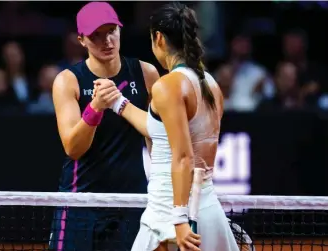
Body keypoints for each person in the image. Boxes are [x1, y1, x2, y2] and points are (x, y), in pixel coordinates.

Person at [93, 3, 239, 251]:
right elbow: (160, 133)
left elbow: (183, 156)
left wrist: (180, 219)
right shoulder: (211, 84)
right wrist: (118, 102)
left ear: (158, 38)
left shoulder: (167, 85)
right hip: (206, 208)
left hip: (170, 213)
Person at [49, 2, 160, 251]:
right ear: (81, 40)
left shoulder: (146, 74)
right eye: (96, 35)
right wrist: (96, 108)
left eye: (111, 31)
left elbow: (157, 139)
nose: (106, 41)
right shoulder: (68, 81)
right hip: (80, 204)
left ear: (120, 30)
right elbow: (73, 148)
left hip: (131, 203)